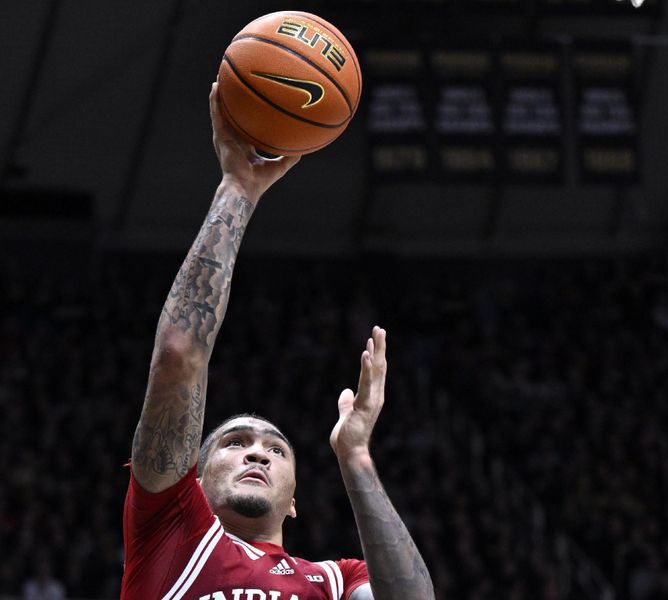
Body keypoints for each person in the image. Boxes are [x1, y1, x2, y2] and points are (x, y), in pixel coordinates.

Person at [120, 82, 435, 600]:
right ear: (192, 483)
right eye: (235, 443)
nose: (258, 454)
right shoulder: (170, 531)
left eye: (276, 450)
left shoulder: (336, 581)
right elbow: (178, 356)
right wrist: (237, 190)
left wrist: (355, 456)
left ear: (294, 501)